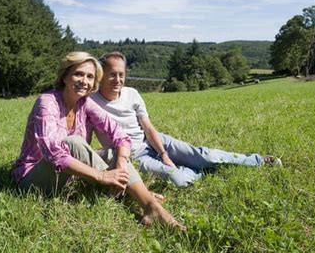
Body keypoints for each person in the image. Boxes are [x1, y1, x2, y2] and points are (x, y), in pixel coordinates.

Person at [12, 51, 184, 229]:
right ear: (65, 77)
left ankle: (150, 206)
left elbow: (120, 135)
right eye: (78, 74)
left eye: (90, 77)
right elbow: (53, 152)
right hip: (33, 179)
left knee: (113, 153)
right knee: (73, 142)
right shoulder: (47, 102)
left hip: (69, 177)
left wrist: (120, 165)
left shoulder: (84, 103)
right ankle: (133, 194)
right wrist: (102, 176)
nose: (84, 81)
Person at [90, 51, 282, 188]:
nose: (117, 80)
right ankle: (196, 170)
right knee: (179, 180)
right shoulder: (90, 102)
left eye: (121, 74)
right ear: (101, 75)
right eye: (112, 74)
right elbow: (85, 136)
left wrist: (164, 154)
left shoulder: (132, 94)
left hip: (155, 142)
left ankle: (257, 160)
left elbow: (148, 128)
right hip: (133, 158)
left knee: (206, 155)